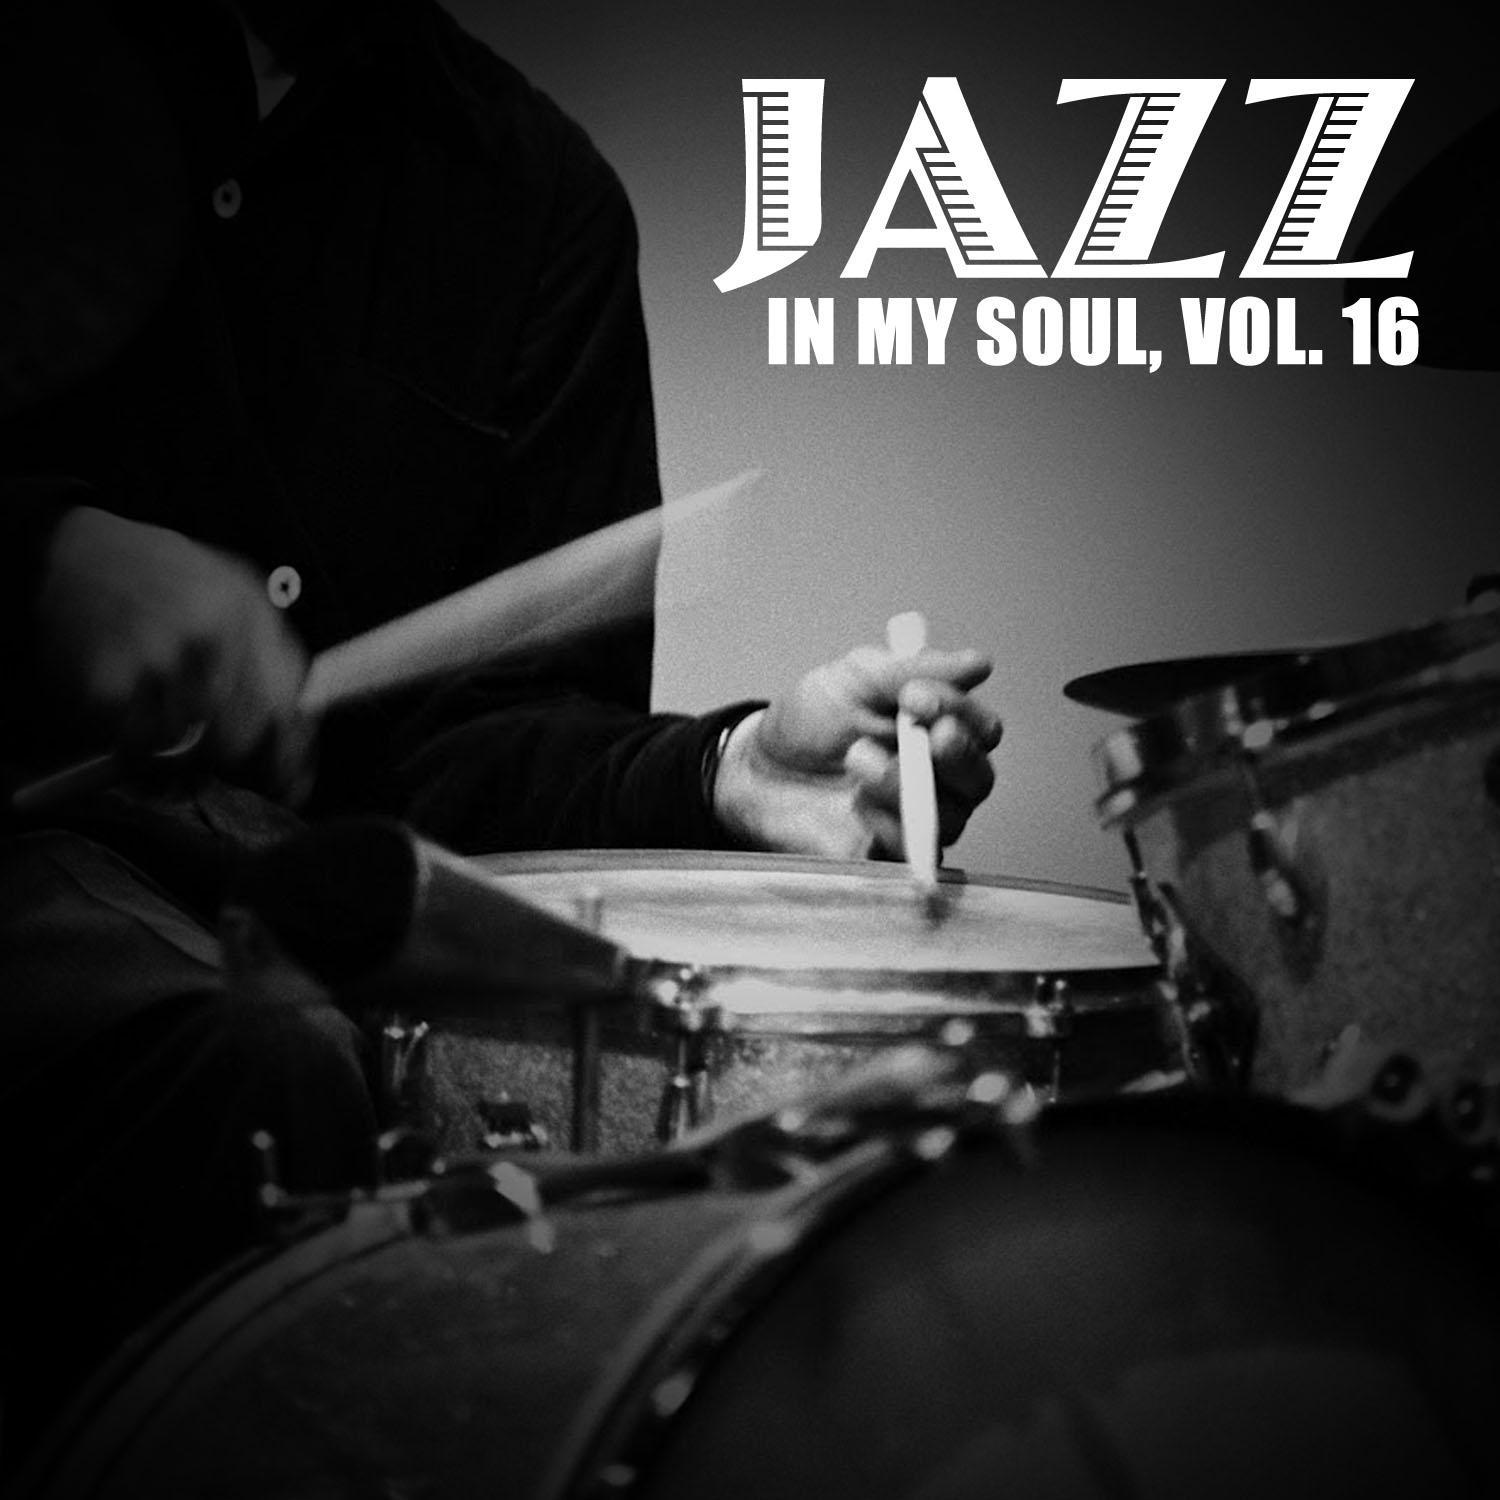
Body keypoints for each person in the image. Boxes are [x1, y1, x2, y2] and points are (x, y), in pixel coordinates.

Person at [0, 0, 1001, 1468]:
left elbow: (479, 750)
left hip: (292, 910)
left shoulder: (536, 196)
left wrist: (728, 774)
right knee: (251, 1070)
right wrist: (39, 556)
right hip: (62, 879)